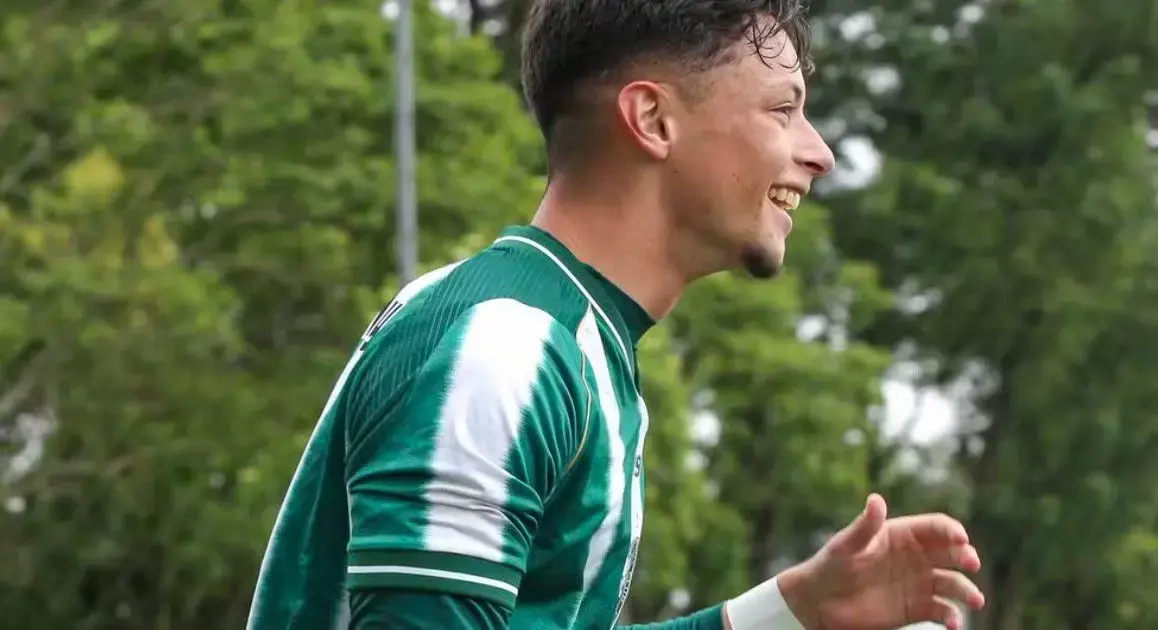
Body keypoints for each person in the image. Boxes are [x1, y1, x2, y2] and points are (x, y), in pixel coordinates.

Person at [246, 1, 987, 629]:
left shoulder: (568, 341)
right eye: (783, 109)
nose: (817, 152)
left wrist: (785, 612)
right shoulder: (503, 343)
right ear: (653, 119)